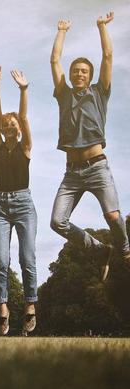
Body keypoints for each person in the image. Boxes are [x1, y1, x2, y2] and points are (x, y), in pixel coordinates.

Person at [50, 12, 130, 280]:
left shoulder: (100, 93)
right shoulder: (64, 95)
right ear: (71, 76)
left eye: (84, 71)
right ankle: (99, 251)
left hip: (97, 167)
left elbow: (108, 56)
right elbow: (55, 60)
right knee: (57, 222)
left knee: (113, 216)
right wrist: (61, 31)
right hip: (72, 172)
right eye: (76, 71)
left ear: (90, 75)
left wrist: (101, 27)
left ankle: (126, 251)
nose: (79, 74)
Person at [0, 66, 38, 336]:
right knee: (1, 260)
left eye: (13, 124)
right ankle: (3, 308)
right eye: (6, 125)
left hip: (23, 205)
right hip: (1, 207)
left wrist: (23, 90)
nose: (9, 126)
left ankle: (31, 305)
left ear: (18, 129)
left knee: (27, 258)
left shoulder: (26, 147)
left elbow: (24, 115)